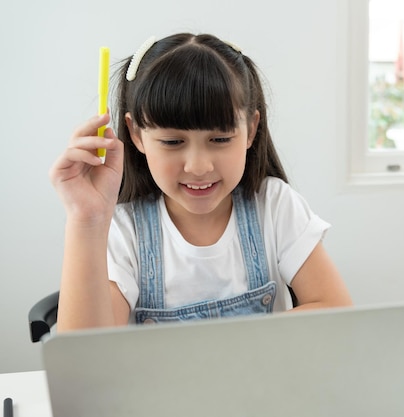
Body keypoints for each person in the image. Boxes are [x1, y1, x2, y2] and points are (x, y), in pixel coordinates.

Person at [49, 33, 352, 331]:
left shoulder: (274, 205)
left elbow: (336, 313)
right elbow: (89, 358)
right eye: (172, 142)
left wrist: (221, 348)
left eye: (220, 139)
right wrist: (86, 220)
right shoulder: (123, 231)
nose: (198, 167)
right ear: (136, 134)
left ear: (251, 129)